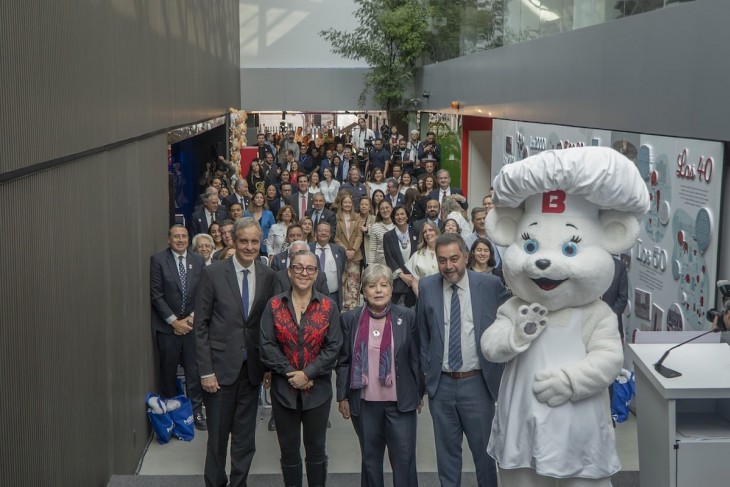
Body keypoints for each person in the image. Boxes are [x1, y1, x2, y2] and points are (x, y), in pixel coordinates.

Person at [416, 233, 510, 487]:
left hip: (478, 384)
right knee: (447, 458)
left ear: (466, 257)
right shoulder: (427, 287)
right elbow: (422, 336)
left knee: (485, 455)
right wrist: (426, 379)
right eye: (442, 260)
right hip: (441, 386)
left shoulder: (489, 285)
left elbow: (511, 318)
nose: (449, 266)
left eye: (454, 259)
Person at [195, 217, 276, 487]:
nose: (249, 247)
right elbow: (200, 326)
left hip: (251, 372)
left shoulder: (268, 275)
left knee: (245, 440)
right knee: (217, 440)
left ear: (260, 242)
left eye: (254, 241)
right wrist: (206, 371)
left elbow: (265, 326)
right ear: (233, 240)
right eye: (244, 241)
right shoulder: (213, 273)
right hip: (218, 373)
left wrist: (267, 367)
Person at [259, 250, 342, 487]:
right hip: (283, 391)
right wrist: (291, 374)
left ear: (316, 274)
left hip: (318, 392)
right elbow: (266, 345)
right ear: (289, 271)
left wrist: (307, 373)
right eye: (298, 267)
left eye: (310, 268)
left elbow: (334, 347)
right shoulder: (274, 305)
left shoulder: (329, 306)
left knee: (316, 449)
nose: (304, 273)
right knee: (289, 451)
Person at [337, 264, 423, 487]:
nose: (378, 290)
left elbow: (416, 358)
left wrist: (418, 392)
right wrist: (342, 396)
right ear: (363, 290)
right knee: (370, 462)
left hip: (401, 403)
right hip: (365, 404)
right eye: (372, 286)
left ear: (391, 289)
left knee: (404, 462)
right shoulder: (350, 319)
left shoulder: (407, 316)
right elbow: (344, 360)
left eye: (383, 285)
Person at [150, 225, 206, 430]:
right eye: (176, 236)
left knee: (194, 372)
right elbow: (156, 295)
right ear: (169, 239)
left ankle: (195, 412)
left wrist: (190, 321)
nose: (180, 240)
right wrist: (174, 322)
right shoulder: (158, 260)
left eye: (184, 236)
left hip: (192, 326)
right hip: (168, 329)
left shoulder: (198, 260)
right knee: (168, 372)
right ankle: (171, 415)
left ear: (189, 239)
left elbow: (204, 293)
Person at [383, 206, 419, 308]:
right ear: (393, 217)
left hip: (414, 280)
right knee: (396, 312)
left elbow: (419, 254)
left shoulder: (416, 233)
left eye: (402, 214)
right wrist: (402, 275)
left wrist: (412, 276)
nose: (400, 217)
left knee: (413, 312)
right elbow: (389, 257)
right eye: (397, 215)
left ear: (407, 216)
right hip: (397, 281)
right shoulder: (388, 236)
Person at [334, 192, 363, 311]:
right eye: (345, 202)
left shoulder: (357, 217)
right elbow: (336, 237)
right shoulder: (336, 218)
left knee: (354, 281)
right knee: (342, 280)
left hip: (355, 254)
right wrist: (345, 250)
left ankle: (354, 307)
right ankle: (343, 306)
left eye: (349, 202)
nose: (347, 204)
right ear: (341, 204)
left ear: (352, 204)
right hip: (341, 253)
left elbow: (359, 236)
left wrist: (353, 250)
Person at [310, 222, 346, 310]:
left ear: (330, 235)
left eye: (326, 231)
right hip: (312, 295)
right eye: (320, 230)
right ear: (315, 233)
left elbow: (341, 269)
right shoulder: (308, 248)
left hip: (333, 295)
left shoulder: (339, 250)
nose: (323, 233)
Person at [405, 221, 440, 297]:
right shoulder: (417, 255)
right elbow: (415, 282)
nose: (427, 233)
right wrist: (422, 299)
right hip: (425, 296)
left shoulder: (445, 252)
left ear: (437, 232)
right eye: (425, 232)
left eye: (430, 230)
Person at [244, 191, 275, 256]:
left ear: (264, 200)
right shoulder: (246, 214)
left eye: (261, 198)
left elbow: (273, 230)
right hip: (251, 245)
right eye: (257, 197)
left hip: (265, 246)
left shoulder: (269, 214)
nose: (259, 199)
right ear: (253, 200)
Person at [368, 200, 394, 266]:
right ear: (379, 211)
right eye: (382, 209)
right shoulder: (375, 227)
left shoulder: (398, 225)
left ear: (392, 208)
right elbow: (372, 249)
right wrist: (370, 266)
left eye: (387, 207)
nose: (385, 210)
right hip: (380, 264)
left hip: (396, 264)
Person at [358, 196, 376, 267]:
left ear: (370, 207)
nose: (364, 206)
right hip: (357, 249)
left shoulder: (374, 218)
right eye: (362, 204)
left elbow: (377, 233)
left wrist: (367, 230)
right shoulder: (355, 218)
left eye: (366, 204)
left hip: (368, 248)